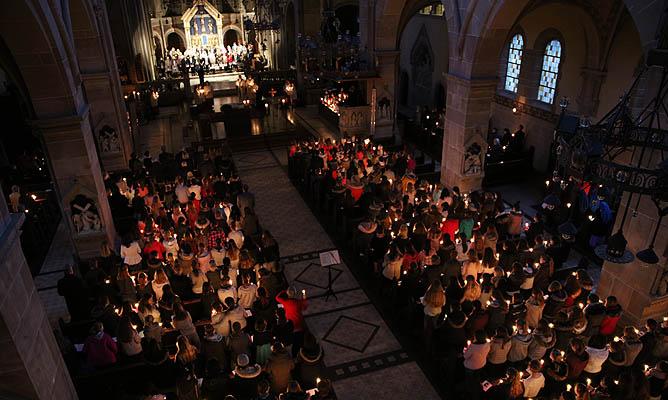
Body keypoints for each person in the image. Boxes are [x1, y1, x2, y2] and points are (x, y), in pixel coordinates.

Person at [276, 287, 308, 357]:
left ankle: (294, 355)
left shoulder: (285, 302)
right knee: (300, 341)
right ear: (295, 294)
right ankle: (302, 354)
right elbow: (305, 307)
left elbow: (277, 297)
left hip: (290, 326)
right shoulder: (298, 302)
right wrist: (304, 297)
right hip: (299, 325)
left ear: (287, 294)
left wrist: (284, 290)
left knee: (293, 342)